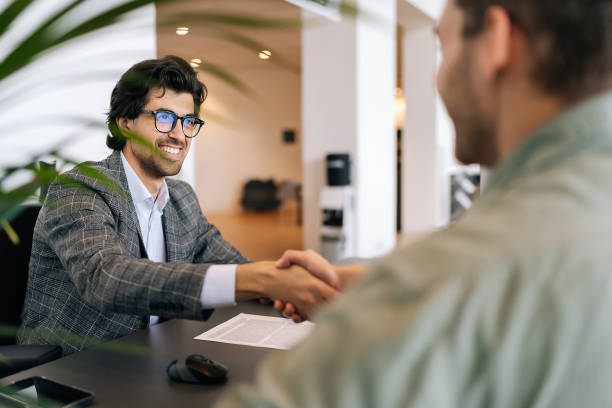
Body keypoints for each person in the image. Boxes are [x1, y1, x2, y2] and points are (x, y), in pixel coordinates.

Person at [215, 0, 612, 406]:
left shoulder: (454, 278)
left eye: (443, 46)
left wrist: (394, 295)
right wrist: (352, 282)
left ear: (496, 39)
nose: (438, 78)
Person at [17, 56, 336, 355]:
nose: (179, 135)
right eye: (164, 117)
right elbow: (106, 278)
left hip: (153, 360)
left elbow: (231, 262)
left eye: (188, 122)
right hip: (68, 371)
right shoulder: (80, 189)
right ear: (125, 122)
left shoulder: (181, 198)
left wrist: (291, 283)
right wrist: (260, 279)